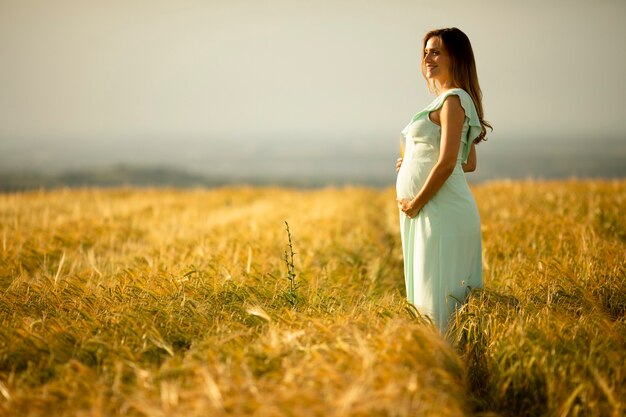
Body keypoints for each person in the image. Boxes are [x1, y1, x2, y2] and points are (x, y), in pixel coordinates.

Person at [395, 27, 492, 332]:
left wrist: (416, 203)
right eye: (425, 51)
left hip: (438, 211)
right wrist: (413, 160)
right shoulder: (445, 101)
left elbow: (451, 161)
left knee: (438, 299)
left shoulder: (453, 100)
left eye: (435, 51)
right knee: (429, 295)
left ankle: (447, 367)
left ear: (456, 58)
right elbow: (469, 162)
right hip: (428, 210)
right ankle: (442, 364)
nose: (427, 57)